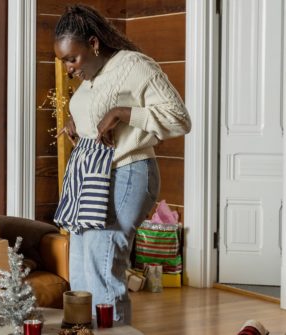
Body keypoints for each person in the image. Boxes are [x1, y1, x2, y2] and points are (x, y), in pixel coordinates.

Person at [52, 4, 191, 325]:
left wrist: (122, 113)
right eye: (64, 62)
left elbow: (179, 119)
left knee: (102, 267)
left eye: (72, 59)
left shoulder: (134, 66)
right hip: (91, 176)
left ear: (94, 43)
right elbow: (97, 113)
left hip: (127, 172)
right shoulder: (92, 73)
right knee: (80, 271)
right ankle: (82, 331)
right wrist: (78, 122)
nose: (69, 69)